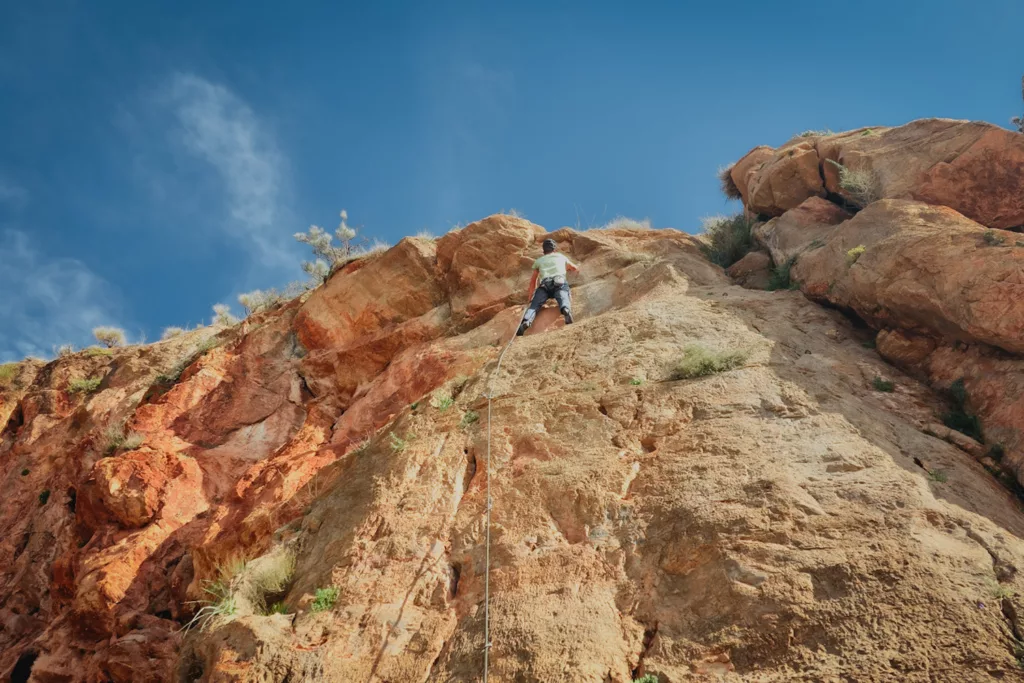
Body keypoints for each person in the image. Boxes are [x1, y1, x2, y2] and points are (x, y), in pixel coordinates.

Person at [517, 238, 579, 336]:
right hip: (559, 282)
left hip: (544, 285)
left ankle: (526, 321)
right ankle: (566, 309)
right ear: (554, 248)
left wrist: (530, 297)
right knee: (563, 295)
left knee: (534, 306)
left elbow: (533, 280)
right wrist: (567, 269)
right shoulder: (561, 256)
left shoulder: (539, 261)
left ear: (544, 250)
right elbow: (574, 268)